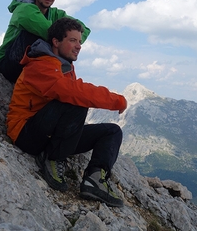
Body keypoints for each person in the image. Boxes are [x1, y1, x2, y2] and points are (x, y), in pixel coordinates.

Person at [7, 17, 127, 207]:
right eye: (72, 40)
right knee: (76, 99)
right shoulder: (40, 65)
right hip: (26, 133)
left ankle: (94, 180)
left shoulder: (65, 66)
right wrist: (116, 100)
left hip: (49, 133)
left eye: (79, 41)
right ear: (56, 42)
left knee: (112, 131)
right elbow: (71, 92)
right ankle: (53, 158)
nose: (79, 46)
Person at [0, 0, 91, 83]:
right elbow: (48, 32)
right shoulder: (24, 9)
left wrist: (71, 40)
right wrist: (66, 39)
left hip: (31, 64)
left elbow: (84, 30)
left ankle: (62, 81)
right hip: (10, 63)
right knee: (49, 39)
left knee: (67, 43)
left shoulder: (56, 14)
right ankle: (59, 79)